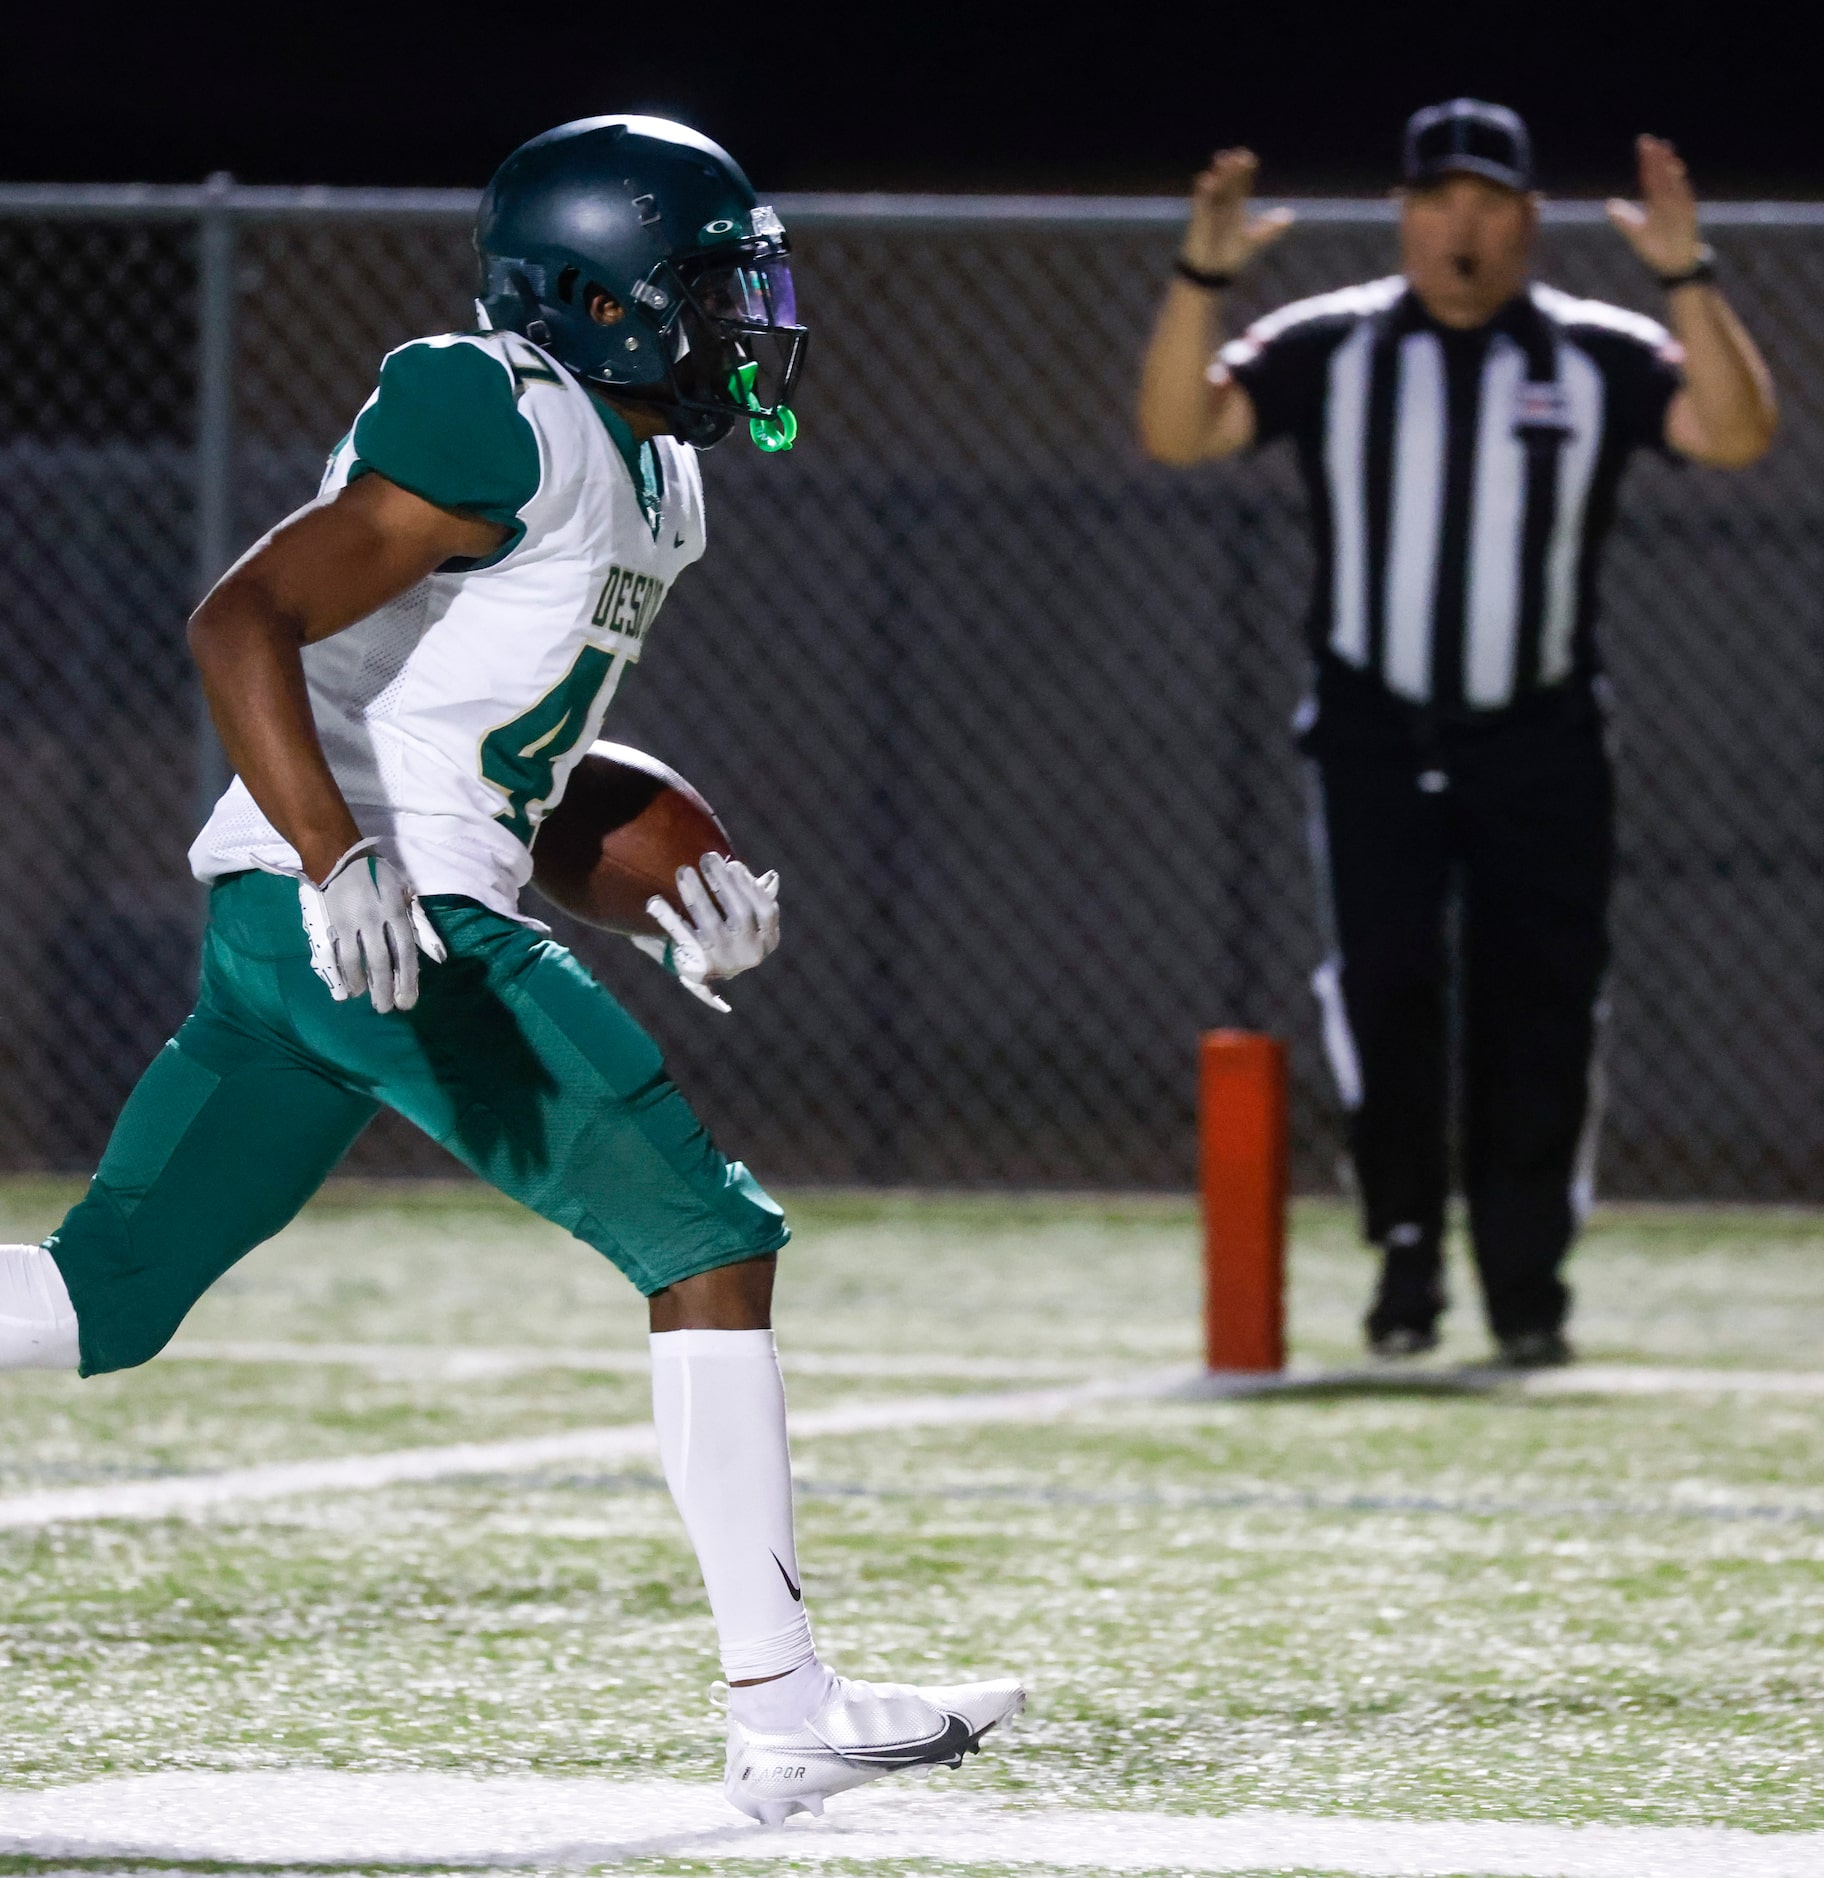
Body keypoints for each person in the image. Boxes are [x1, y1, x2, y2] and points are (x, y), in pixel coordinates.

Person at [0, 115, 1020, 1822]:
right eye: (710, 286)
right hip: (363, 911)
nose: (743, 318)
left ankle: (787, 1698)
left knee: (106, 1291)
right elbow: (238, 620)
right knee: (706, 1235)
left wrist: (666, 874)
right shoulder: (497, 406)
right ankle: (782, 1704)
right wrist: (340, 855)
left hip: (322, 912)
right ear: (605, 295)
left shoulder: (653, 478)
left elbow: (514, 768)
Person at [1137, 102, 1776, 1365]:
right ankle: (1409, 1258)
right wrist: (1202, 276)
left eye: (1487, 202)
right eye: (1438, 201)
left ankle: (1528, 1285)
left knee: (1541, 1004)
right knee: (1387, 991)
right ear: (1403, 214)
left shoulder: (1600, 351)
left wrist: (1689, 274)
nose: (1462, 227)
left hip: (1539, 733)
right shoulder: (1334, 345)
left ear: (1528, 220)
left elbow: (1738, 433)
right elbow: (1177, 432)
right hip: (1376, 729)